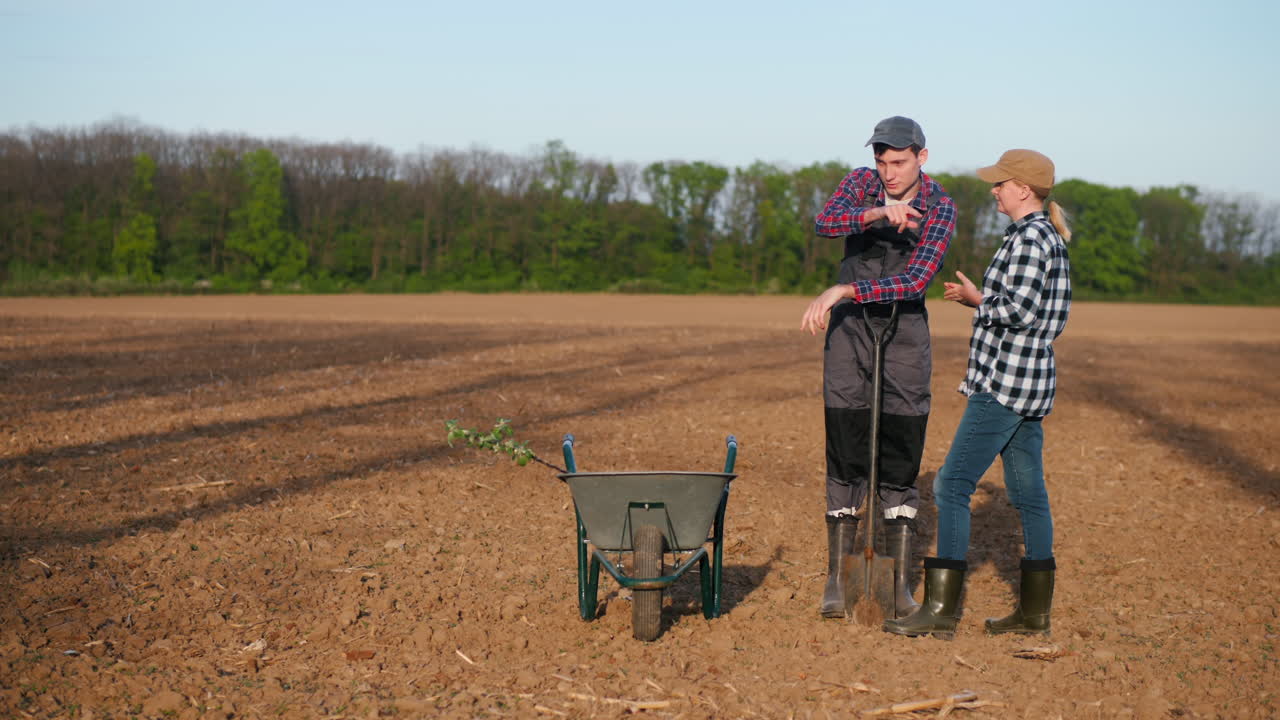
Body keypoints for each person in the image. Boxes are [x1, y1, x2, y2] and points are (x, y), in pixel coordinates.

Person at [884, 148, 1071, 638]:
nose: (993, 190)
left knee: (950, 485)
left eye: (1000, 183)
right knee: (1030, 494)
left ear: (1023, 190)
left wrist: (977, 300)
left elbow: (1021, 309)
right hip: (1026, 383)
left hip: (1005, 383)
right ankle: (1034, 615)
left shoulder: (1032, 238)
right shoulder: (1040, 235)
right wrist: (983, 300)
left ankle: (941, 612)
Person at [801, 116, 957, 619]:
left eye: (899, 162)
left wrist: (845, 289)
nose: (888, 172)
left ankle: (898, 584)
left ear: (921, 158)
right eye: (881, 161)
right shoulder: (860, 184)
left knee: (900, 443)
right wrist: (874, 215)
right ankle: (837, 578)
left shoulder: (941, 207)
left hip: (905, 332)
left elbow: (915, 281)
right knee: (845, 437)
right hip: (850, 335)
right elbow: (826, 223)